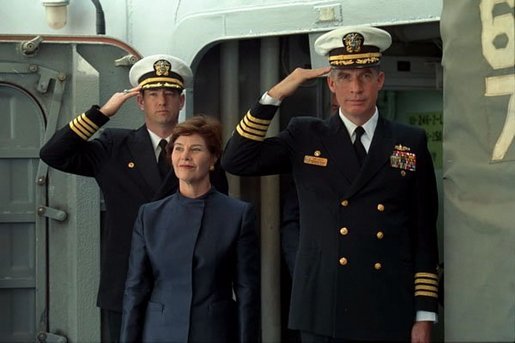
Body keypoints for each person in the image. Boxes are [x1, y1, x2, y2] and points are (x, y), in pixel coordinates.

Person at [222, 26, 440, 342]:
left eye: (365, 75)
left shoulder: (409, 141)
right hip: (323, 304)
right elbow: (236, 160)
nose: (356, 88)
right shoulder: (306, 135)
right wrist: (276, 94)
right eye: (346, 77)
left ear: (380, 81)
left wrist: (424, 314)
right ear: (331, 84)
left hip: (388, 303)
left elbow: (424, 234)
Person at [39, 54, 227, 342]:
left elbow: (217, 218)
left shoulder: (200, 153)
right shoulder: (114, 146)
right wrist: (101, 114)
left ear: (181, 101)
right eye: (152, 94)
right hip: (126, 286)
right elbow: (53, 153)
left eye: (169, 94)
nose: (161, 101)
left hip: (186, 287)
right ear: (140, 102)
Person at [119, 115, 260, 343]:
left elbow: (248, 292)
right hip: (159, 333)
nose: (185, 157)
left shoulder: (238, 215)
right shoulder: (150, 215)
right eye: (178, 149)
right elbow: (135, 289)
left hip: (214, 332)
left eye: (195, 149)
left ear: (213, 159)